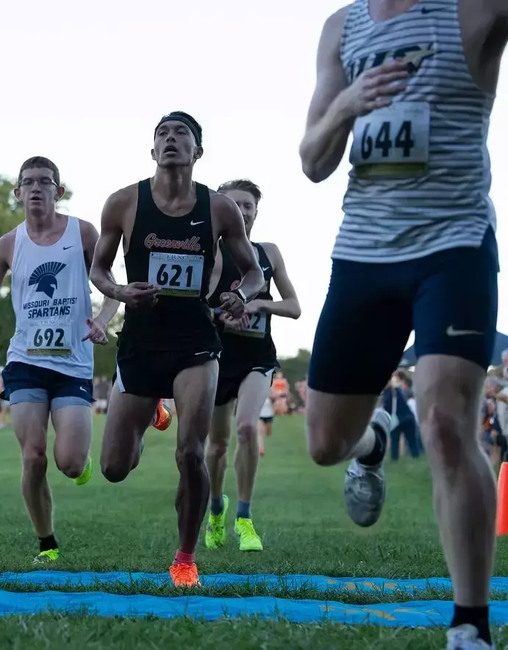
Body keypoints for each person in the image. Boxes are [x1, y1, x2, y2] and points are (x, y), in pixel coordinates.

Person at [299, 1, 506, 647]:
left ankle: (468, 626)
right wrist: (346, 105)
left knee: (447, 421)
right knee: (327, 445)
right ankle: (373, 443)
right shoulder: (343, 28)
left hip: (454, 245)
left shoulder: (473, 12)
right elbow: (312, 159)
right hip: (363, 252)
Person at [89, 112, 264, 587]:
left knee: (191, 453)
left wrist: (241, 296)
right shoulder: (123, 202)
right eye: (162, 134)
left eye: (181, 134)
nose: (171, 140)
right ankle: (151, 415)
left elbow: (253, 272)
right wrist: (123, 294)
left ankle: (185, 558)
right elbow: (99, 271)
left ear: (197, 152)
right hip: (142, 342)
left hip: (195, 342)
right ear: (152, 151)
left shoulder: (220, 208)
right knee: (113, 468)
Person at [0, 156, 118, 563]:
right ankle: (46, 541)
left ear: (59, 191)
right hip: (26, 362)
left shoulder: (82, 233)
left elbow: (109, 285)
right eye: (28, 183)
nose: (36, 188)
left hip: (72, 363)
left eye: (44, 182)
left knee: (68, 463)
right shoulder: (8, 244)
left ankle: (80, 460)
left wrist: (102, 322)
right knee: (33, 455)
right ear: (17, 193)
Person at [204, 179, 301, 553]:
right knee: (217, 446)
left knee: (247, 427)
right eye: (234, 203)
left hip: (257, 359)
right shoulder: (209, 253)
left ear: (256, 212)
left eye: (248, 205)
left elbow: (294, 307)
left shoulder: (269, 253)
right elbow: (192, 305)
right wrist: (220, 317)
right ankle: (216, 510)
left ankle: (244, 519)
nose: (241, 210)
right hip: (215, 357)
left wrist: (260, 305)